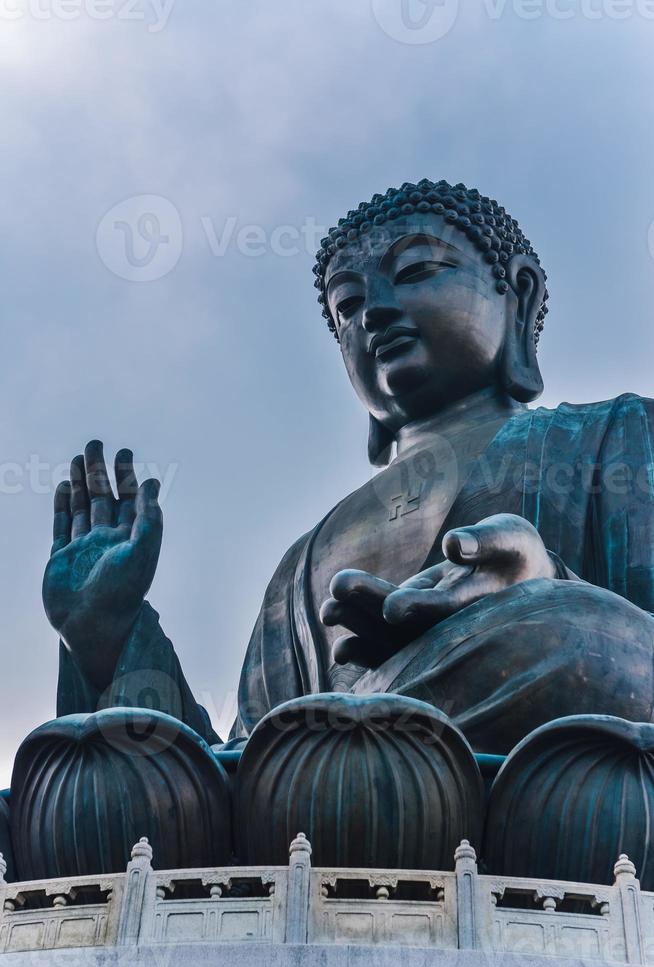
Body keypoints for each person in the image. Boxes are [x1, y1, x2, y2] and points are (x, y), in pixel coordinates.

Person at [42, 179, 654, 757]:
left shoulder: (618, 436)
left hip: (552, 772)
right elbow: (245, 758)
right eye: (349, 304)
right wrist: (110, 637)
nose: (376, 313)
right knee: (102, 766)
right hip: (316, 799)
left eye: (415, 272)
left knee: (572, 637)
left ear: (519, 295)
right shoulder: (301, 564)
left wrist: (541, 583)